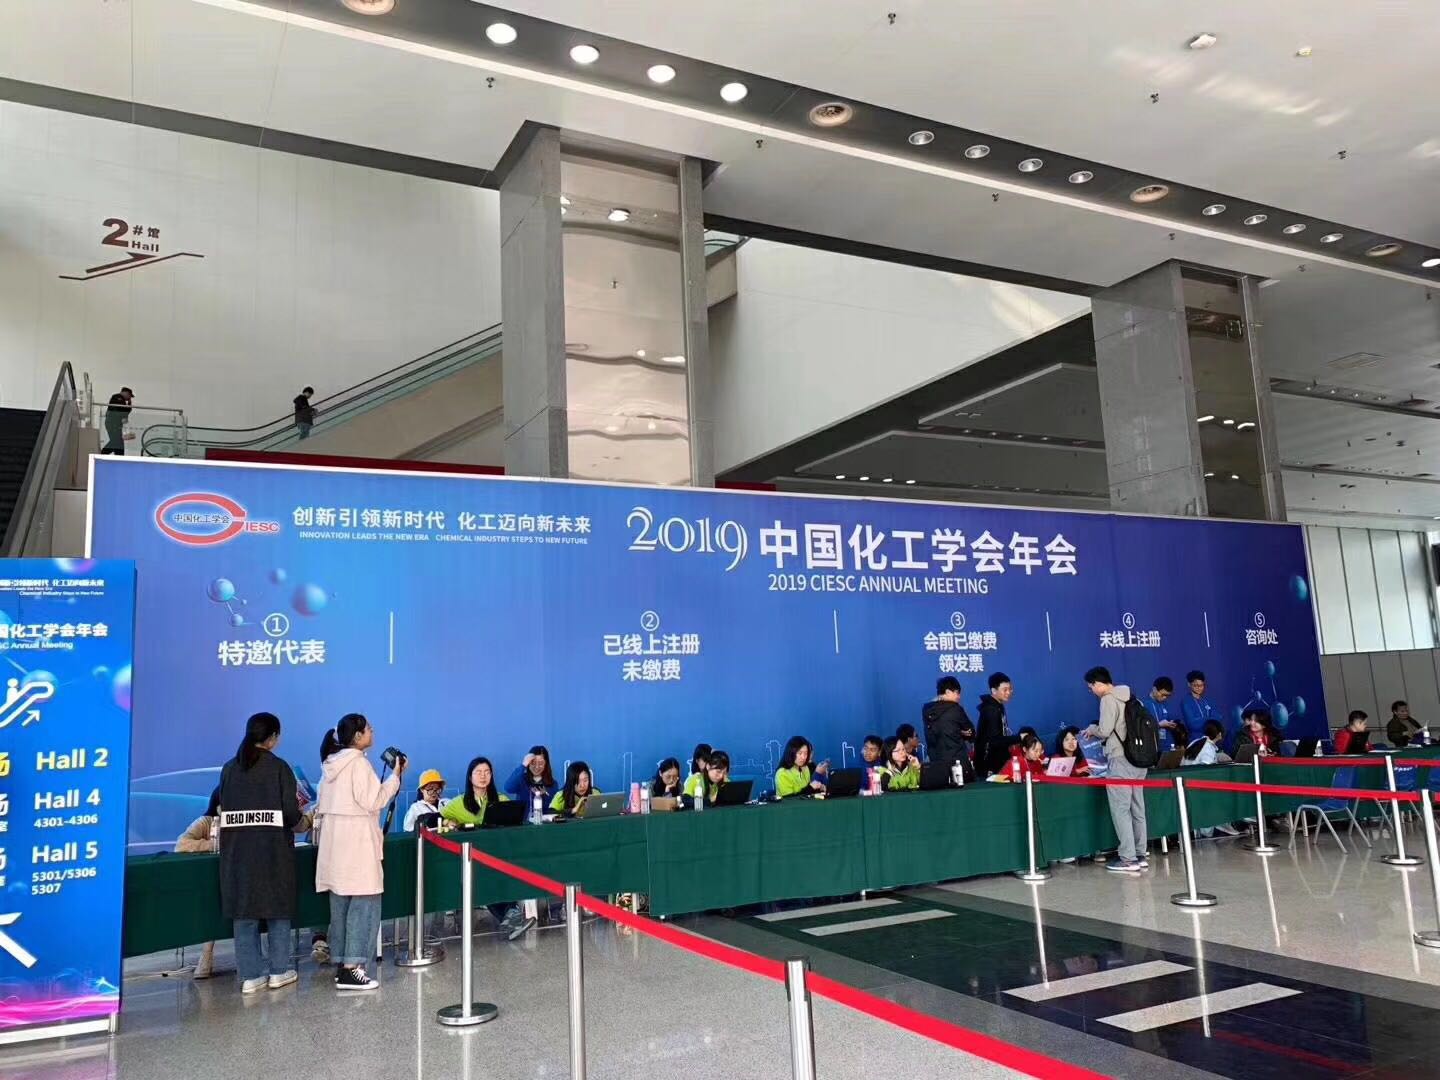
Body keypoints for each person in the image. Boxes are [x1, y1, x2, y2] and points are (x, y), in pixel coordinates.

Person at [314, 713, 404, 992]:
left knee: (340, 905)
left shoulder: (330, 766)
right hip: (357, 843)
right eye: (369, 729)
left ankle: (342, 963)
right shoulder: (358, 764)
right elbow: (374, 800)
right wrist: (395, 777)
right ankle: (353, 968)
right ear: (357, 736)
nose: (372, 732)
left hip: (334, 845)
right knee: (365, 904)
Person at [218, 712, 301, 994]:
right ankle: (279, 971)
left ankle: (250, 976)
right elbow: (290, 813)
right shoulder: (279, 768)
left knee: (244, 912)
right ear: (273, 738)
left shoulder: (229, 769)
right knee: (278, 909)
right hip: (272, 851)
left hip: (237, 853)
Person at [442, 757, 535, 939]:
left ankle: (510, 918)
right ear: (470, 777)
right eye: (478, 772)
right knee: (482, 876)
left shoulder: (501, 800)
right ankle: (511, 914)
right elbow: (435, 818)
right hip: (472, 861)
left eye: (487, 772)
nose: (483, 776)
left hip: (498, 857)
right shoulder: (458, 803)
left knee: (503, 871)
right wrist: (447, 822)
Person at [1084, 666, 1148, 874]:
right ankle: (1140, 854)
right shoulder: (1132, 697)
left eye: (1091, 687)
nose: (1092, 691)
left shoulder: (1108, 699)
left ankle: (1128, 859)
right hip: (1140, 760)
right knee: (1138, 809)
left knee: (1121, 810)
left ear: (1097, 683)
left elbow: (1104, 731)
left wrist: (1091, 729)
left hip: (1120, 759)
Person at [174, 786, 222, 979]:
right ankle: (206, 955)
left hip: (238, 877)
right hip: (212, 880)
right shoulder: (205, 822)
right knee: (210, 905)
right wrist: (212, 845)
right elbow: (181, 844)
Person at [922, 676, 975, 776]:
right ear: (947, 692)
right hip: (957, 765)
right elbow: (971, 732)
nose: (959, 696)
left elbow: (938, 732)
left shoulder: (926, 710)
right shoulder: (956, 709)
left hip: (936, 764)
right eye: (957, 693)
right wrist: (962, 733)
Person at [975, 672, 1014, 778]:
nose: (1008, 692)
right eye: (1005, 690)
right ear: (994, 690)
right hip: (989, 763)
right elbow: (996, 740)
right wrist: (1018, 738)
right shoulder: (991, 709)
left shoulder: (997, 706)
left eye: (1010, 689)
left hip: (997, 759)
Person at [1181, 670, 1223, 747]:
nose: (1199, 688)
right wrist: (1210, 719)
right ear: (1189, 684)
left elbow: (1219, 717)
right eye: (1196, 685)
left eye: (1201, 685)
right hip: (1195, 742)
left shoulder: (1206, 701)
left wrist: (1202, 720)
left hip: (1210, 741)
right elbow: (1193, 724)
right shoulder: (1186, 701)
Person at [1145, 677, 1184, 751]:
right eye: (1163, 694)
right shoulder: (1144, 705)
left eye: (1168, 695)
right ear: (1154, 689)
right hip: (1154, 749)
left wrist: (1171, 724)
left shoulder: (1165, 704)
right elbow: (1143, 729)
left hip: (1168, 746)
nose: (1165, 698)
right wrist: (1159, 725)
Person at [101, 387, 133, 454]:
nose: (129, 398)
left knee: (118, 442)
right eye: (129, 396)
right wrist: (129, 404)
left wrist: (129, 403)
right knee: (116, 441)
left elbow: (125, 411)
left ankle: (118, 456)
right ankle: (102, 453)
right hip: (113, 423)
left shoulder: (121, 400)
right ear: (126, 393)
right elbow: (123, 410)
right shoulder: (117, 397)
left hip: (115, 424)